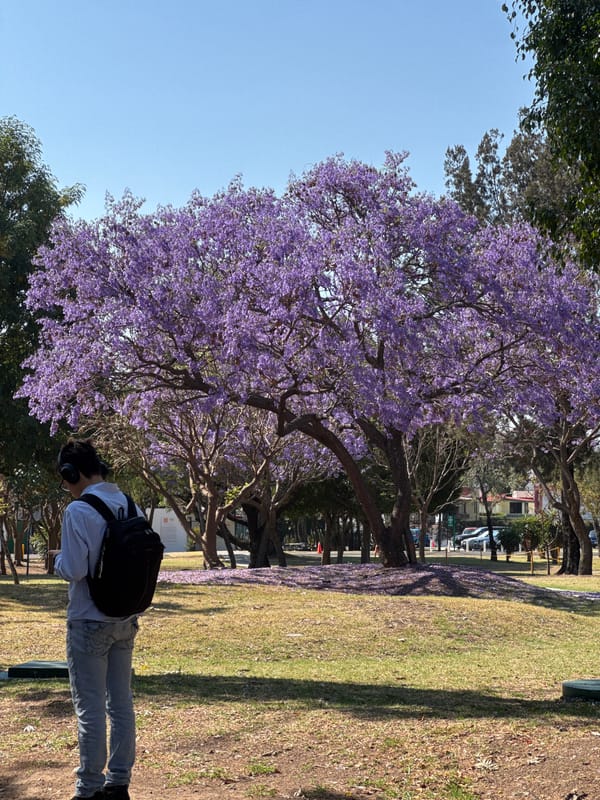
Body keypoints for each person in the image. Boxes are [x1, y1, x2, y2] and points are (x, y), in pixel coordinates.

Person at [51, 438, 138, 800]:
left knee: (89, 709)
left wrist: (55, 559)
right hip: (125, 617)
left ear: (71, 473)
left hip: (88, 620)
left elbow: (73, 569)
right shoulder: (129, 503)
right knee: (120, 703)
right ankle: (118, 783)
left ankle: (88, 788)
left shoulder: (79, 511)